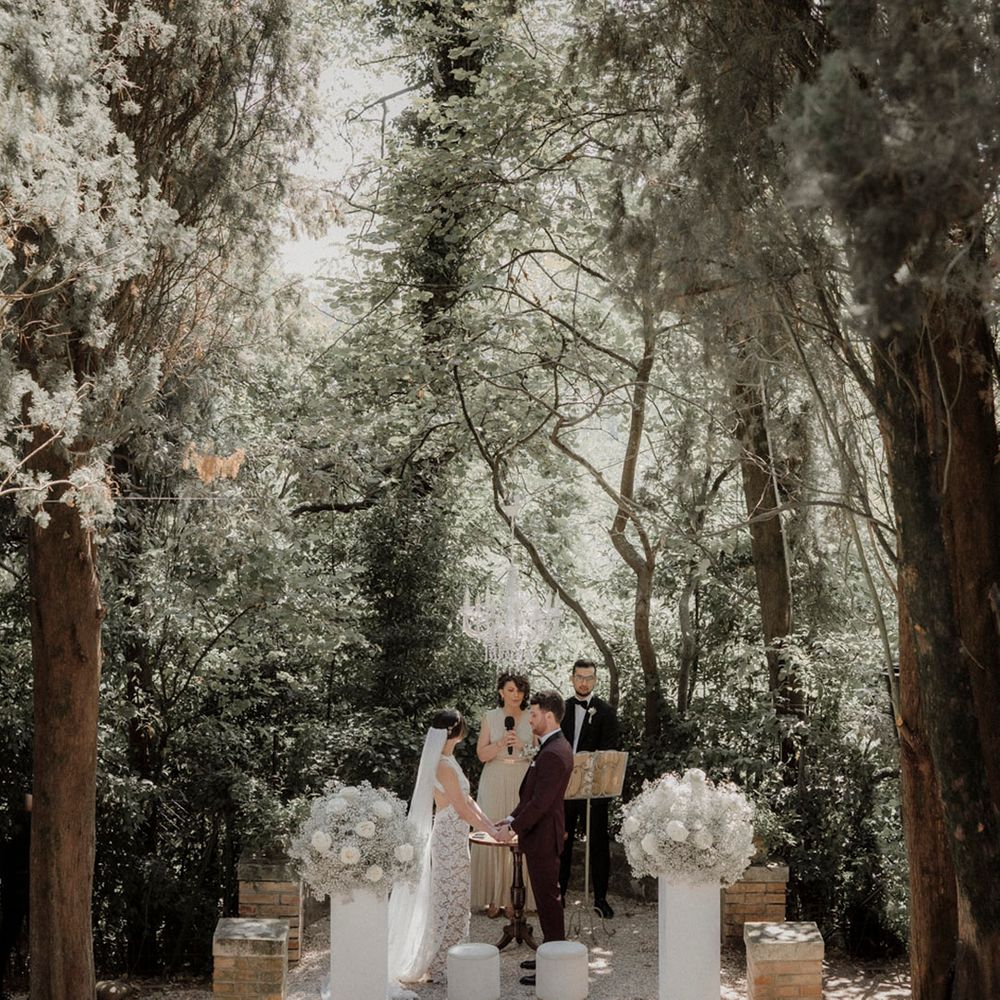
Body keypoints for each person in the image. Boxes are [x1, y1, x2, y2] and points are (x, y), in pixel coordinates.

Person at [387, 709, 499, 990]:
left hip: (456, 837)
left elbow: (469, 800)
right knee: (448, 899)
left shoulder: (449, 761)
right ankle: (442, 963)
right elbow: (460, 808)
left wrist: (491, 825)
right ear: (456, 732)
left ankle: (453, 956)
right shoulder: (443, 766)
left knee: (457, 896)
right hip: (448, 838)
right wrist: (489, 831)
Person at [495, 690, 574, 988]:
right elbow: (531, 796)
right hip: (539, 834)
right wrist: (511, 818)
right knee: (544, 900)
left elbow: (541, 804)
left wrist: (513, 829)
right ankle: (547, 956)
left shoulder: (554, 752)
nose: (530, 719)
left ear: (549, 716)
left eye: (534, 713)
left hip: (543, 836)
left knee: (549, 903)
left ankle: (554, 966)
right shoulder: (551, 746)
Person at [470, 672, 536, 918]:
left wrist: (522, 745)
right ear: (501, 692)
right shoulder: (490, 717)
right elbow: (481, 755)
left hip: (522, 777)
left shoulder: (532, 717)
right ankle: (492, 897)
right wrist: (499, 744)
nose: (516, 695)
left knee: (518, 834)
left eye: (520, 690)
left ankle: (513, 899)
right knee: (493, 832)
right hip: (495, 777)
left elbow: (539, 753)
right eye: (510, 690)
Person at [559, 658, 620, 919]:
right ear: (572, 678)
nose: (584, 682)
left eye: (589, 678)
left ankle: (600, 899)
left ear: (595, 680)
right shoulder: (560, 708)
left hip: (594, 788)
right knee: (561, 841)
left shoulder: (606, 711)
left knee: (598, 844)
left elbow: (610, 749)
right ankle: (558, 894)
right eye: (579, 677)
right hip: (564, 787)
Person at [0, 793, 31, 1000]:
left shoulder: (13, 841)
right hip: (18, 896)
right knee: (6, 939)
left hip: (16, 896)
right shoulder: (22, 839)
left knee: (6, 939)